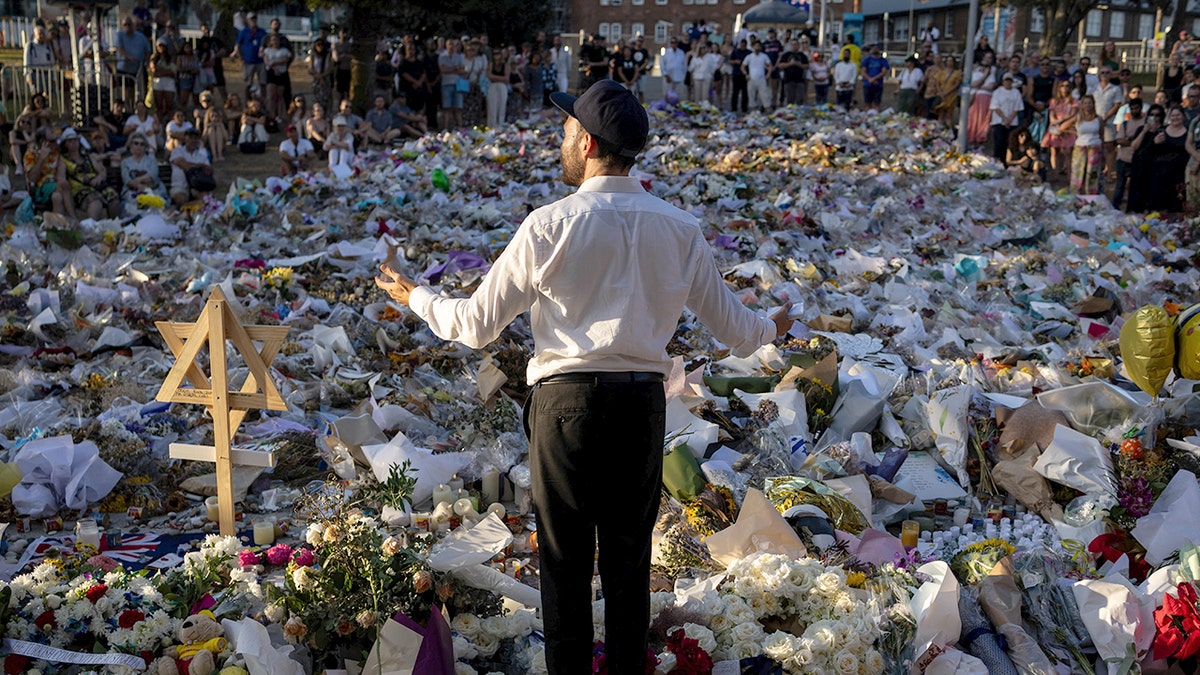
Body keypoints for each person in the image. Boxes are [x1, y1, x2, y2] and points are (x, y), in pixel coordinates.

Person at [373, 79, 792, 675]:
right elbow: (738, 330)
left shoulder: (549, 226)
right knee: (628, 566)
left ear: (589, 142)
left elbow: (472, 325)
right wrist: (772, 326)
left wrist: (415, 295)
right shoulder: (679, 229)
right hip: (642, 408)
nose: (561, 139)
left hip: (565, 407)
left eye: (567, 130)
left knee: (564, 567)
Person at [58, 127, 119, 220]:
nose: (74, 143)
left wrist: (99, 178)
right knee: (95, 202)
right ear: (65, 144)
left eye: (75, 140)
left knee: (113, 198)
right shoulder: (63, 160)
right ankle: (91, 229)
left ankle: (114, 225)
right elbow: (61, 178)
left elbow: (102, 170)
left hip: (97, 185)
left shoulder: (88, 157)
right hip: (79, 188)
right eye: (70, 141)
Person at [1136, 104, 1189, 212]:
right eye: (1173, 116)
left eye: (1178, 115)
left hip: (1179, 174)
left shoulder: (1188, 132)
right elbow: (1149, 151)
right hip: (1160, 174)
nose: (1175, 118)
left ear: (1183, 116)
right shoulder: (1162, 130)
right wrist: (1154, 142)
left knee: (1176, 205)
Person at [24, 126, 69, 217]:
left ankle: (58, 228)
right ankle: (73, 217)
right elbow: (32, 178)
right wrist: (41, 158)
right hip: (39, 188)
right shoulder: (31, 153)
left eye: (56, 140)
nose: (55, 144)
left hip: (55, 187)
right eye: (52, 141)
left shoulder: (56, 152)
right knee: (63, 184)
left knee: (57, 197)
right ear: (42, 142)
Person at [1112, 97, 1145, 210]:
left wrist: (1128, 141)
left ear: (1141, 108)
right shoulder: (1125, 123)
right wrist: (1134, 141)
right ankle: (1115, 208)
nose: (1134, 110)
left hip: (1136, 159)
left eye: (1136, 108)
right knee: (1119, 186)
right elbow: (1118, 140)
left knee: (1135, 187)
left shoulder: (1144, 124)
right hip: (1122, 158)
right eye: (1132, 108)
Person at [120, 131, 166, 205]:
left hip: (153, 189)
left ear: (145, 147)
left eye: (142, 144)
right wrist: (139, 186)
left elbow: (153, 175)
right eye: (136, 143)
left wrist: (138, 180)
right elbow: (127, 180)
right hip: (132, 190)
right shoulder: (125, 162)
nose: (139, 146)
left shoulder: (152, 160)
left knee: (155, 201)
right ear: (131, 145)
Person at [1042, 79, 1078, 173]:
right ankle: (1055, 172)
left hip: (1068, 126)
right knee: (1054, 150)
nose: (1065, 88)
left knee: (1068, 151)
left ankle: (1068, 171)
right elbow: (1051, 114)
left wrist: (1062, 122)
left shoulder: (1074, 101)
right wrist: (1055, 122)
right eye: (1063, 86)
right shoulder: (1054, 101)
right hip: (1055, 126)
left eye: (1067, 86)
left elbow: (1073, 114)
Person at [1094, 67, 1123, 180]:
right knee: (1096, 147)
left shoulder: (1116, 89)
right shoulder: (1093, 89)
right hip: (1095, 121)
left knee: (1110, 148)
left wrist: (1106, 117)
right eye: (1102, 72)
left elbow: (1116, 105)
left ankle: (1109, 173)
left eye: (1107, 73)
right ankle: (1096, 172)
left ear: (1111, 75)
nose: (1105, 75)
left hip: (1109, 122)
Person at [1070, 94, 1103, 195]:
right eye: (1085, 103)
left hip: (1094, 146)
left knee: (1092, 173)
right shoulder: (1078, 118)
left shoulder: (1098, 119)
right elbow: (1063, 127)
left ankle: (1091, 196)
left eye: (1090, 103)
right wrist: (1074, 132)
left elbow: (1101, 134)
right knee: (1077, 173)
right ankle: (1075, 195)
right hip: (1080, 146)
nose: (1088, 105)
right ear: (1082, 105)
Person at [170, 127, 212, 205]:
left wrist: (189, 165)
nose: (193, 140)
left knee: (206, 198)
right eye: (190, 137)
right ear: (185, 139)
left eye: (195, 138)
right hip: (180, 186)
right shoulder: (177, 151)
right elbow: (182, 164)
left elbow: (208, 169)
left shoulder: (202, 155)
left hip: (198, 186)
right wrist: (199, 166)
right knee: (181, 199)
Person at [990, 73, 1024, 160]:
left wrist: (1010, 119)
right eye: (1006, 80)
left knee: (1009, 143)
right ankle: (997, 159)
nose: (1008, 82)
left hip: (1012, 122)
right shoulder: (997, 92)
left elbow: (1017, 107)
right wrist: (1005, 119)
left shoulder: (1016, 92)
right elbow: (995, 107)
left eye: (1010, 81)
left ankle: (1007, 160)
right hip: (998, 121)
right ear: (1003, 81)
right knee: (999, 142)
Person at [233, 12, 267, 100]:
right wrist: (241, 58)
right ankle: (248, 101)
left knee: (263, 82)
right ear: (248, 20)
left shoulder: (262, 32)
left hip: (261, 61)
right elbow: (238, 45)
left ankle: (263, 100)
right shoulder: (244, 31)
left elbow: (267, 44)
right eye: (251, 19)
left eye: (254, 18)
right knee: (248, 83)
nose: (253, 21)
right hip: (248, 61)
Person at [967, 52, 998, 145]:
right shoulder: (975, 73)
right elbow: (972, 84)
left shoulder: (991, 75)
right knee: (973, 118)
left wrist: (979, 85)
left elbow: (991, 87)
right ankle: (971, 138)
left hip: (986, 98)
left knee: (983, 119)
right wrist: (984, 77)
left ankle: (980, 138)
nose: (984, 67)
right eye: (983, 65)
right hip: (975, 98)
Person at [262, 34, 291, 127]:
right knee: (271, 96)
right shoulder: (267, 50)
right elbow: (267, 62)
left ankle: (279, 115)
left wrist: (274, 62)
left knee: (279, 96)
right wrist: (275, 68)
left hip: (282, 74)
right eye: (273, 40)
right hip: (271, 74)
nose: (275, 42)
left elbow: (285, 59)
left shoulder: (284, 51)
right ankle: (271, 115)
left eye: (277, 40)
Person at [115, 16, 152, 88]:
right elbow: (119, 48)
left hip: (137, 69)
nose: (127, 26)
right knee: (125, 89)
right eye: (125, 24)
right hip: (123, 68)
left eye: (129, 24)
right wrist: (129, 57)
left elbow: (148, 50)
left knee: (135, 89)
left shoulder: (141, 36)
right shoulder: (119, 35)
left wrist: (145, 62)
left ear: (132, 25)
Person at [439, 38, 466, 129]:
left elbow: (462, 70)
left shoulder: (459, 57)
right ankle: (446, 128)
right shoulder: (442, 56)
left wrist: (449, 69)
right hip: (446, 84)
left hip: (457, 84)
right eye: (449, 44)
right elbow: (442, 70)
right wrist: (454, 69)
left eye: (453, 44)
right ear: (446, 46)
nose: (451, 46)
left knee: (458, 108)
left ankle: (460, 127)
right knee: (447, 108)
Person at [149, 38, 177, 120]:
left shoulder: (170, 57)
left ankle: (171, 122)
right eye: (159, 46)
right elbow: (154, 71)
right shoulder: (154, 57)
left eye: (163, 46)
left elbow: (173, 72)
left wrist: (161, 72)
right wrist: (166, 71)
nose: (161, 48)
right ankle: (159, 124)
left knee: (170, 105)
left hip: (169, 83)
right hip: (158, 83)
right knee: (159, 106)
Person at [195, 91, 227, 161]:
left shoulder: (217, 112)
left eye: (208, 100)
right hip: (206, 139)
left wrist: (220, 125)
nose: (206, 102)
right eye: (204, 101)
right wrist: (207, 126)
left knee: (218, 128)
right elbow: (199, 132)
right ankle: (215, 155)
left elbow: (226, 137)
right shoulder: (198, 114)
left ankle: (219, 154)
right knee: (211, 129)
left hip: (220, 140)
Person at [743, 41, 773, 112]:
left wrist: (768, 74)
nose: (757, 47)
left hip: (761, 79)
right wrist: (746, 74)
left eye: (758, 46)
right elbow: (742, 66)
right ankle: (754, 112)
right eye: (756, 46)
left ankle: (768, 111)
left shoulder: (764, 56)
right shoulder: (749, 57)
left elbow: (770, 65)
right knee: (751, 96)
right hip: (751, 79)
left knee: (765, 95)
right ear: (753, 47)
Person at [932, 54, 961, 128]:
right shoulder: (941, 72)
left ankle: (948, 130)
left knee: (949, 114)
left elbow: (956, 84)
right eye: (948, 61)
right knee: (941, 113)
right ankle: (940, 129)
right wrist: (941, 93)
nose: (949, 62)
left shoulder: (957, 73)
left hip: (951, 95)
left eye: (951, 61)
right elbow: (937, 83)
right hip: (942, 94)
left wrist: (946, 93)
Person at [860, 44, 889, 111]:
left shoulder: (883, 60)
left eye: (876, 48)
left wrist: (874, 78)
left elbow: (883, 72)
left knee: (876, 103)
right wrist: (869, 79)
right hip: (867, 84)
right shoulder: (867, 60)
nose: (874, 50)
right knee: (867, 103)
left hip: (878, 84)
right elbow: (863, 71)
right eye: (873, 48)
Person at [778, 40, 808, 106]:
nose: (794, 46)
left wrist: (799, 64)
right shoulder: (786, 55)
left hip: (799, 80)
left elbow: (807, 66)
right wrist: (790, 64)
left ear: (798, 46)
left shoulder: (802, 55)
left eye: (796, 44)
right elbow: (780, 65)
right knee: (789, 99)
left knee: (800, 99)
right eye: (793, 44)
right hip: (788, 80)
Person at [332, 26, 353, 104]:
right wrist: (345, 56)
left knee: (348, 91)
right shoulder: (336, 45)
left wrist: (344, 56)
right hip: (339, 70)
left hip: (349, 70)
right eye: (342, 33)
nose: (344, 35)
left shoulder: (350, 45)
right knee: (340, 91)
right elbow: (336, 58)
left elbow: (352, 57)